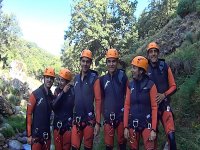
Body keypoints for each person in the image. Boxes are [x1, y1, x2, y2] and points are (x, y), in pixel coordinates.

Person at [146, 42, 177, 150]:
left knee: (171, 136)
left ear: (158, 53)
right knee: (152, 139)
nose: (153, 54)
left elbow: (173, 86)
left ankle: (169, 145)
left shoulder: (164, 66)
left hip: (164, 106)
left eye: (155, 51)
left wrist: (164, 95)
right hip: (151, 109)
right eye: (151, 51)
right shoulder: (144, 69)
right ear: (148, 54)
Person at [124, 56, 158, 150]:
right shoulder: (130, 86)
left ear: (141, 71)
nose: (132, 70)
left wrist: (153, 129)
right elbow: (127, 106)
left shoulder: (151, 85)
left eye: (134, 68)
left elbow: (154, 107)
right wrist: (126, 127)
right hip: (133, 124)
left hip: (147, 124)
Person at [71, 49, 101, 150]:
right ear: (80, 62)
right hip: (77, 120)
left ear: (90, 63)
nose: (85, 64)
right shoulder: (75, 79)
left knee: (88, 148)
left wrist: (97, 122)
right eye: (83, 61)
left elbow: (98, 100)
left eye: (87, 61)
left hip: (89, 120)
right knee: (74, 147)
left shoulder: (94, 78)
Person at [100, 48, 128, 150]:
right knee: (108, 146)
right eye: (109, 61)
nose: (111, 64)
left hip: (121, 117)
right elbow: (101, 99)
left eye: (114, 61)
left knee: (122, 144)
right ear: (106, 63)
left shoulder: (122, 76)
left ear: (117, 62)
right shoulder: (102, 79)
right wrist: (104, 114)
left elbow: (128, 96)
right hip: (108, 119)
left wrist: (127, 114)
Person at [26, 67, 55, 150]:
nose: (49, 80)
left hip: (47, 137)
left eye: (51, 78)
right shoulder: (35, 94)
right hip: (36, 137)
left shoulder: (51, 96)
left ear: (53, 80)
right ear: (44, 78)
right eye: (47, 77)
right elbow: (28, 114)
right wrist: (29, 135)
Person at [52, 68, 74, 150]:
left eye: (62, 80)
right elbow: (54, 106)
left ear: (67, 82)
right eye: (59, 80)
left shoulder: (72, 91)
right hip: (57, 125)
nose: (59, 82)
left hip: (67, 126)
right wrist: (63, 93)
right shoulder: (57, 90)